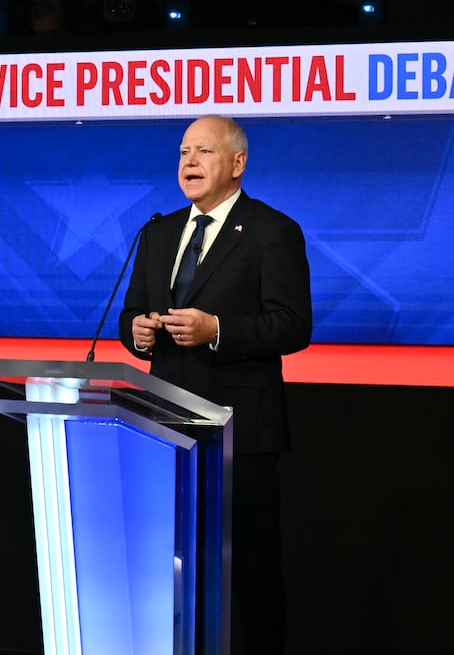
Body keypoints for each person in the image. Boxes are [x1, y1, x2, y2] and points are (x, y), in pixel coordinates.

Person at [118, 115, 311, 655]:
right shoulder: (157, 233)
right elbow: (134, 312)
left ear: (237, 164)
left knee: (251, 576)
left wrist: (217, 330)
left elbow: (293, 326)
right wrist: (135, 331)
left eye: (204, 151)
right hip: (166, 429)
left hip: (240, 436)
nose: (190, 162)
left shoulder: (273, 231)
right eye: (184, 152)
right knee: (174, 570)